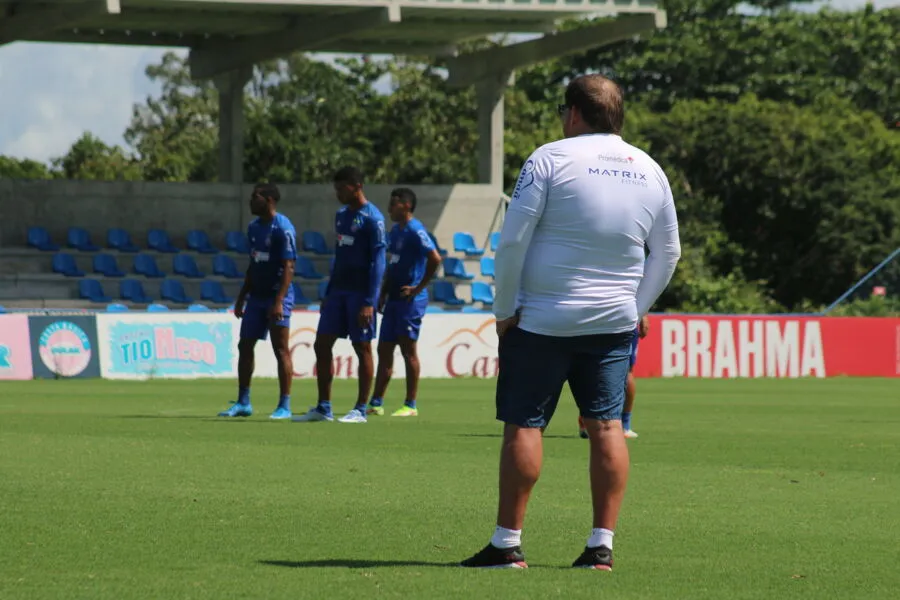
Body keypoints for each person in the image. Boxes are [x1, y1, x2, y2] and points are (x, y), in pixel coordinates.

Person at [461, 74, 681, 570]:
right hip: (610, 324)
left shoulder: (549, 158)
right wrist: (636, 307)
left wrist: (503, 311)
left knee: (525, 425)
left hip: (541, 319)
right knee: (607, 428)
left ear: (576, 113)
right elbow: (668, 251)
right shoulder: (650, 169)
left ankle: (506, 544)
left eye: (564, 109)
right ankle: (601, 546)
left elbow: (513, 241)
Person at [293, 166, 386, 424]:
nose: (337, 193)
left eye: (340, 188)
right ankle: (324, 407)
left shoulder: (373, 218)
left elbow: (378, 262)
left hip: (360, 294)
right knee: (321, 344)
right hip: (338, 292)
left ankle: (360, 409)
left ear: (356, 186)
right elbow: (340, 256)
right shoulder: (341, 215)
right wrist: (329, 291)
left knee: (362, 347)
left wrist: (370, 301)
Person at [218, 183, 297, 420]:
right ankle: (243, 402)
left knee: (280, 349)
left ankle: (284, 405)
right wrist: (243, 296)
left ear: (270, 200)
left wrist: (279, 300)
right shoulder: (253, 228)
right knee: (245, 346)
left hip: (277, 296)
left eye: (256, 197)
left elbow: (289, 266)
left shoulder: (283, 228)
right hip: (257, 297)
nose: (251, 201)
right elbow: (254, 264)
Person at [367, 188, 442, 417]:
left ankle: (410, 404)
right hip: (394, 301)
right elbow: (393, 265)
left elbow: (435, 258)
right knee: (384, 349)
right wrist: (382, 293)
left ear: (407, 206)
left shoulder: (415, 230)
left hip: (411, 301)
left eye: (394, 204)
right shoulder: (396, 232)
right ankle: (376, 402)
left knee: (408, 351)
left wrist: (419, 287)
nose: (390, 208)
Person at [579, 315, 649, 439]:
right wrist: (643, 315)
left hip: (590, 317)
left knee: (588, 366)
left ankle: (586, 421)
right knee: (626, 370)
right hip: (620, 316)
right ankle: (624, 425)